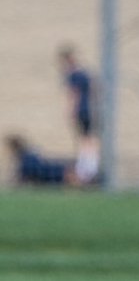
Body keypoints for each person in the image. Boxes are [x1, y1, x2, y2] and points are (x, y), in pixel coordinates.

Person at [56, 45, 100, 185]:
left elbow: (74, 93)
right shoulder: (84, 73)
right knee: (88, 138)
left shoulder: (74, 74)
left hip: (82, 110)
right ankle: (89, 169)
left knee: (84, 139)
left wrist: (71, 111)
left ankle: (86, 171)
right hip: (90, 109)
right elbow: (94, 89)